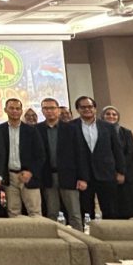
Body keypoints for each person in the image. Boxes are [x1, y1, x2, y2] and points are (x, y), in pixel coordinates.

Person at [70, 96, 125, 219]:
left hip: (106, 174)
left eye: (90, 106)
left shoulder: (108, 127)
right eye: (83, 107)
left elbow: (117, 151)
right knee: (86, 211)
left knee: (110, 209)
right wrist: (76, 176)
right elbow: (69, 154)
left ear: (95, 108)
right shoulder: (70, 127)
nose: (87, 109)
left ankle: (110, 230)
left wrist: (121, 171)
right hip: (83, 177)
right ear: (77, 110)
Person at [38, 98, 86, 231]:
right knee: (52, 213)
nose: (49, 111)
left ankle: (79, 240)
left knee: (74, 213)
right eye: (46, 108)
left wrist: (82, 177)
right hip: (48, 176)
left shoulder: (71, 129)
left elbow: (80, 154)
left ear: (58, 110)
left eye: (52, 108)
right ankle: (55, 241)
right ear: (42, 111)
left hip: (69, 176)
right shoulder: (37, 129)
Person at [0, 98, 44, 218]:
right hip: (9, 177)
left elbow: (40, 155)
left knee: (35, 212)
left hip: (28, 176)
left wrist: (31, 172)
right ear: (5, 110)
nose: (15, 111)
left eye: (17, 108)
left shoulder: (31, 131)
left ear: (21, 111)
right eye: (11, 108)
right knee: (13, 212)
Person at [102, 106, 133, 218]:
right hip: (108, 172)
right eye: (108, 114)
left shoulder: (126, 132)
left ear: (118, 117)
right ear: (102, 116)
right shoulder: (100, 133)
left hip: (129, 171)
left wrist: (121, 171)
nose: (111, 116)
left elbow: (131, 152)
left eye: (114, 114)